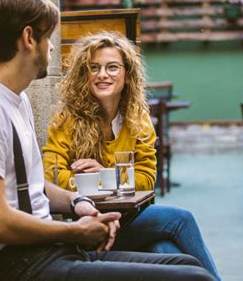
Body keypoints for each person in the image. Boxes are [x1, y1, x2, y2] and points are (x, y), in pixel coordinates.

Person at [0, 0, 215, 280]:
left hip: (48, 249)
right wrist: (74, 231)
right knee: (196, 278)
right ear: (29, 39)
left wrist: (77, 203)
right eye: (48, 37)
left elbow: (35, 185)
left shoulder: (15, 101)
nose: (53, 48)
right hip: (17, 266)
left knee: (185, 264)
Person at [43, 32, 221, 280]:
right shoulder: (67, 119)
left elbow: (148, 178)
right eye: (94, 68)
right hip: (91, 225)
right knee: (180, 220)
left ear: (127, 75)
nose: (102, 74)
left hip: (133, 218)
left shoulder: (138, 118)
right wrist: (104, 183)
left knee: (167, 253)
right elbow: (51, 176)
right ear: (84, 74)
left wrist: (102, 176)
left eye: (112, 67)